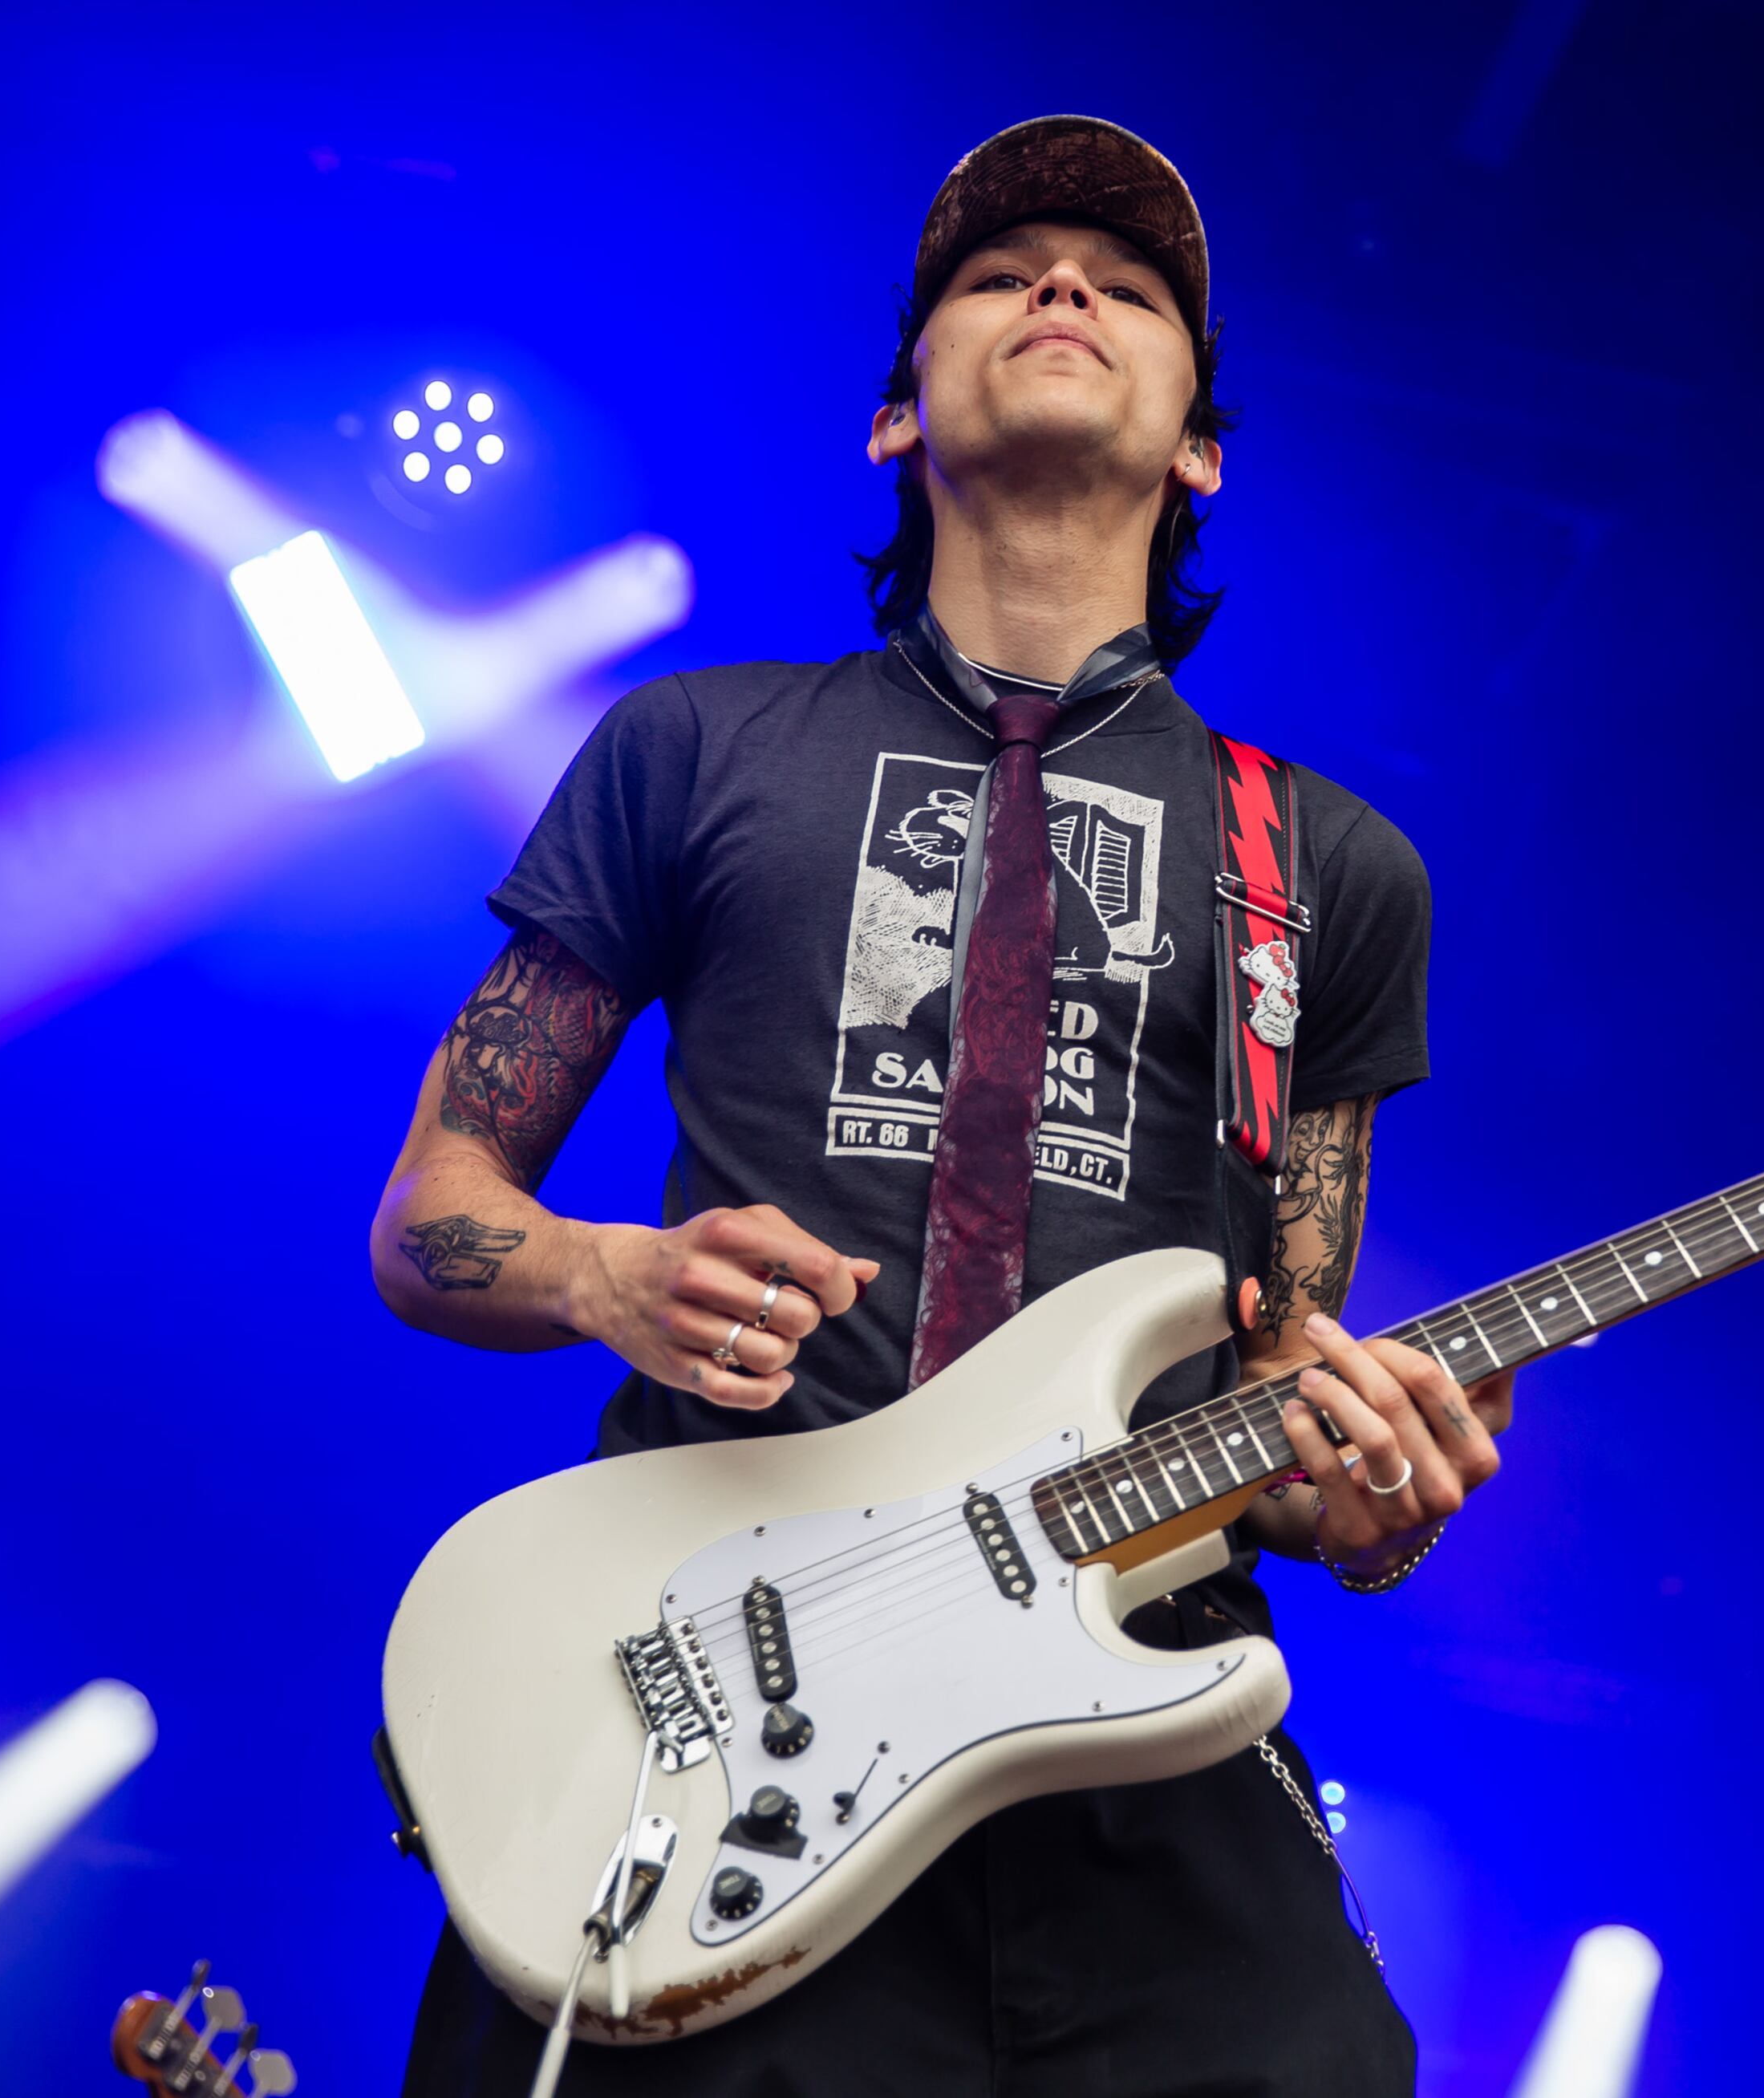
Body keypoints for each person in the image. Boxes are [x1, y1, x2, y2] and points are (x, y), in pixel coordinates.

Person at [375, 115, 1511, 2097]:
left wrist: (1370, 1499)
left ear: (1201, 447)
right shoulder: (694, 745)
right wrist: (605, 1277)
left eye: (1128, 286)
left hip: (1134, 1742)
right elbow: (429, 1215)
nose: (1063, 287)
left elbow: (1295, 1390)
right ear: (899, 417)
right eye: (1002, 275)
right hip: (724, 1710)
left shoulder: (1330, 871)